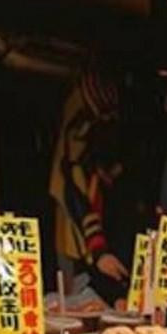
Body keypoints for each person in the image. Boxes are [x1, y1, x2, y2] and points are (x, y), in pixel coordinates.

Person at [48, 70, 127, 303]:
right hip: (79, 243)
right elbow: (75, 195)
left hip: (95, 243)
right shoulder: (74, 157)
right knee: (77, 299)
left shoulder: (90, 164)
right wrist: (99, 250)